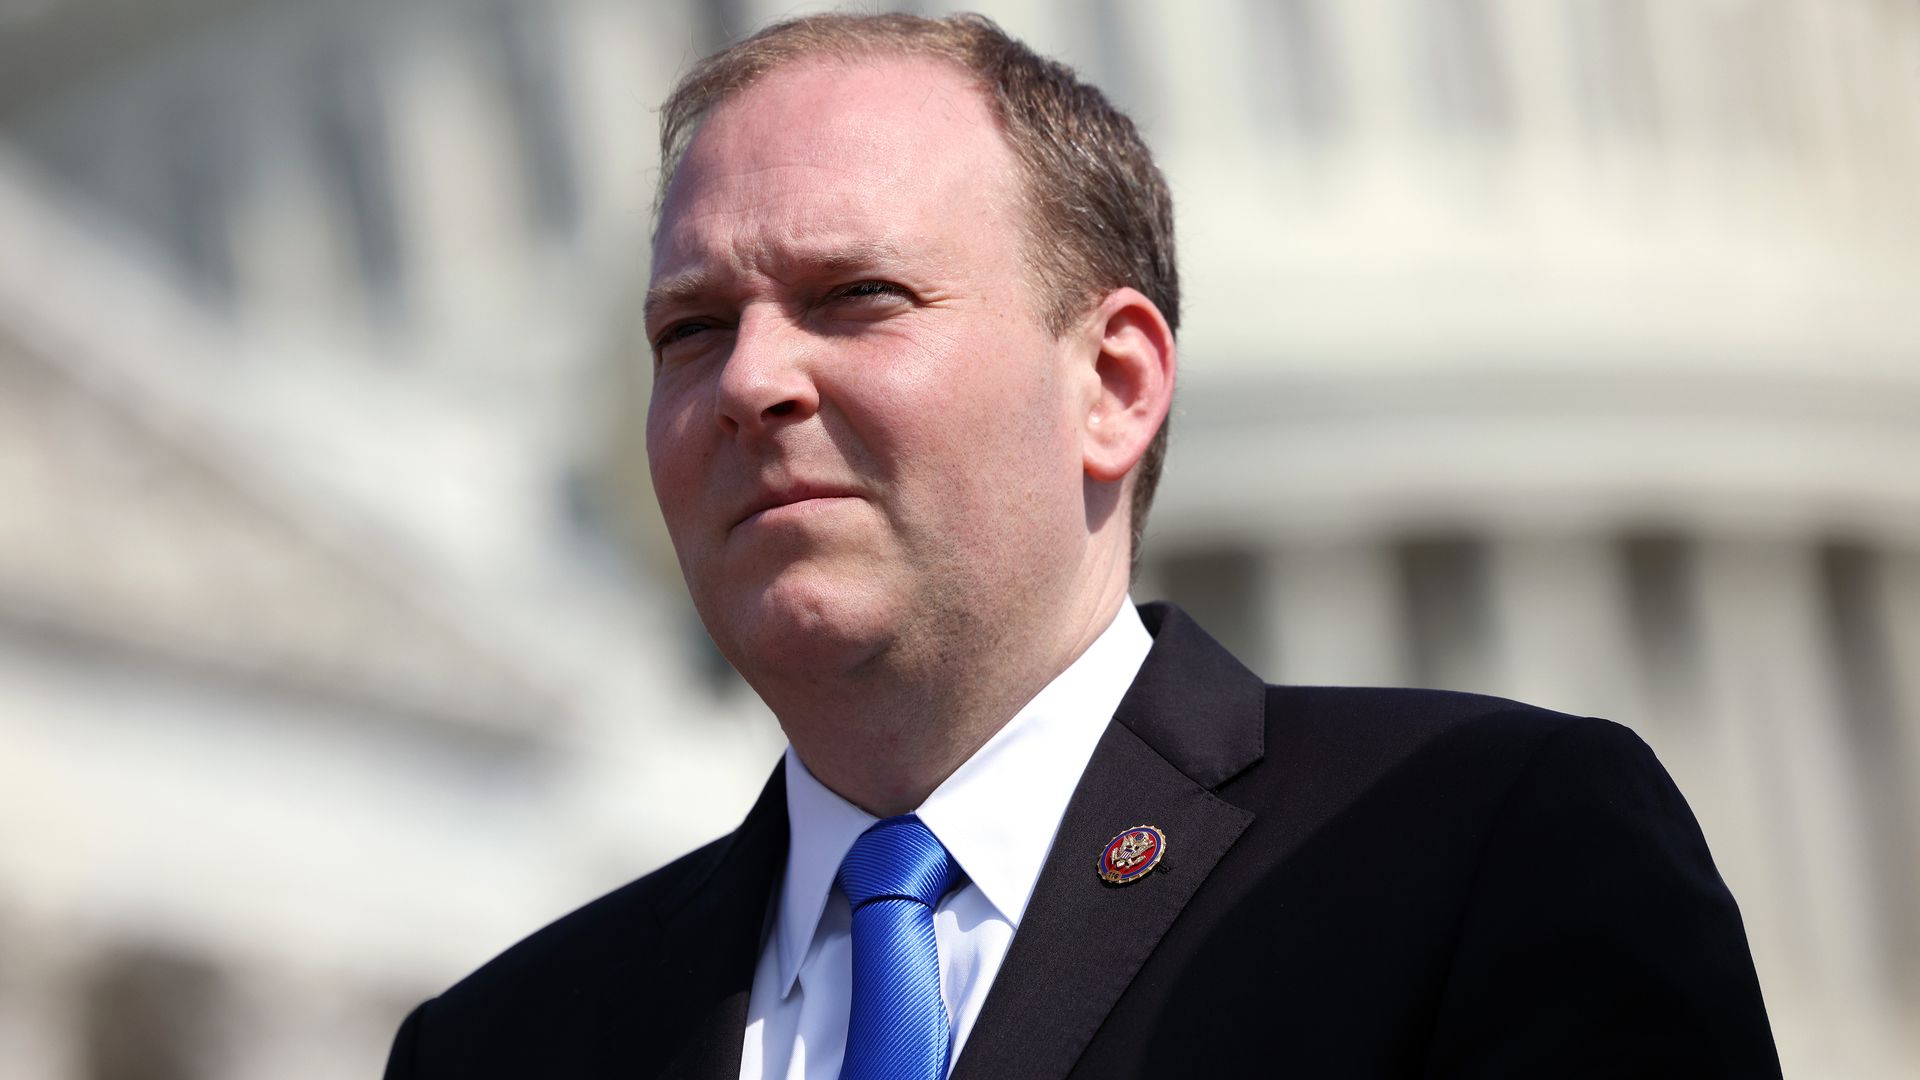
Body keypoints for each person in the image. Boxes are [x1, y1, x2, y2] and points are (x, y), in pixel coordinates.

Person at [384, 13, 1779, 1079]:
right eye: (691, 328)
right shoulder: (502, 1047)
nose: (750, 380)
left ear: (1112, 383)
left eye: (856, 295)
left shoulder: (1470, 854)